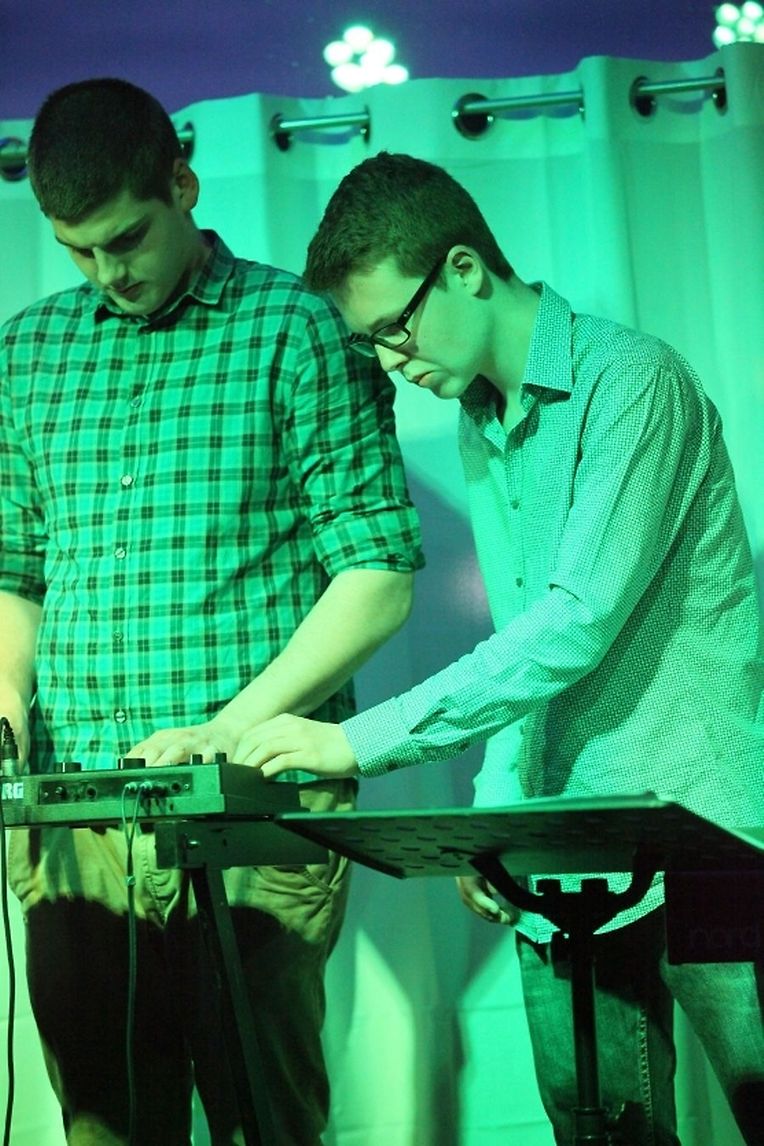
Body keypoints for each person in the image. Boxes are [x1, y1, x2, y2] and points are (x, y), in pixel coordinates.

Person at [242, 153, 764, 1146]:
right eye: (370, 344)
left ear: (464, 270)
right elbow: (521, 629)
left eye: (393, 328)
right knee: (596, 1130)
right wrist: (495, 814)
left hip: (708, 830)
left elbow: (576, 620)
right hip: (564, 846)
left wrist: (353, 742)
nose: (389, 362)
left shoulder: (632, 380)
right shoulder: (480, 420)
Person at [0, 89, 423, 1145]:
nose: (108, 272)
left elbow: (377, 573)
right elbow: (15, 573)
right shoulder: (27, 350)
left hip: (249, 804)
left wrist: (230, 728)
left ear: (183, 187)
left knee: (262, 1118)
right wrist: (4, 703)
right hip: (75, 814)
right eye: (78, 250)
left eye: (127, 239)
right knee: (104, 1125)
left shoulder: (297, 327)